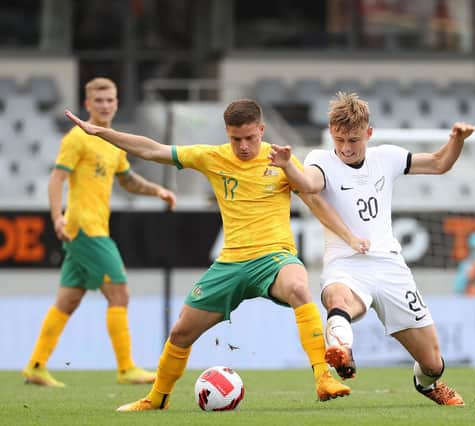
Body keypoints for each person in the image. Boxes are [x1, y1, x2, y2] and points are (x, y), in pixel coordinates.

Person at [65, 98, 363, 411]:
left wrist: (349, 236)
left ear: (261, 130)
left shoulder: (282, 160)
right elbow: (152, 149)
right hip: (230, 264)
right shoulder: (212, 157)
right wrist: (100, 132)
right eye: (236, 139)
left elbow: (315, 202)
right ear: (227, 133)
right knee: (181, 331)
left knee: (299, 287)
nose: (244, 146)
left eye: (250, 138)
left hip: (274, 258)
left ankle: (322, 378)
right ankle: (157, 398)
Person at [269, 92, 475, 406]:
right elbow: (309, 184)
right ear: (331, 133)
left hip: (390, 267)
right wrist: (288, 166)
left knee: (433, 363)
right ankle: (342, 352)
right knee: (338, 299)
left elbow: (438, 163)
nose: (346, 148)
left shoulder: (387, 157)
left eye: (353, 140)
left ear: (368, 133)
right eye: (339, 139)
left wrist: (457, 140)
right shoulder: (320, 160)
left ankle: (427, 384)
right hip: (346, 264)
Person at [23, 77, 177, 388]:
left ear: (117, 103)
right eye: (99, 101)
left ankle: (35, 366)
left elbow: (128, 180)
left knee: (68, 300)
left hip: (93, 228)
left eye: (110, 100)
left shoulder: (112, 142)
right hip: (85, 229)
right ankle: (126, 368)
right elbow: (56, 179)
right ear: (87, 104)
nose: (105, 105)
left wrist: (158, 190)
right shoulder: (76, 139)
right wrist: (57, 218)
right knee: (120, 293)